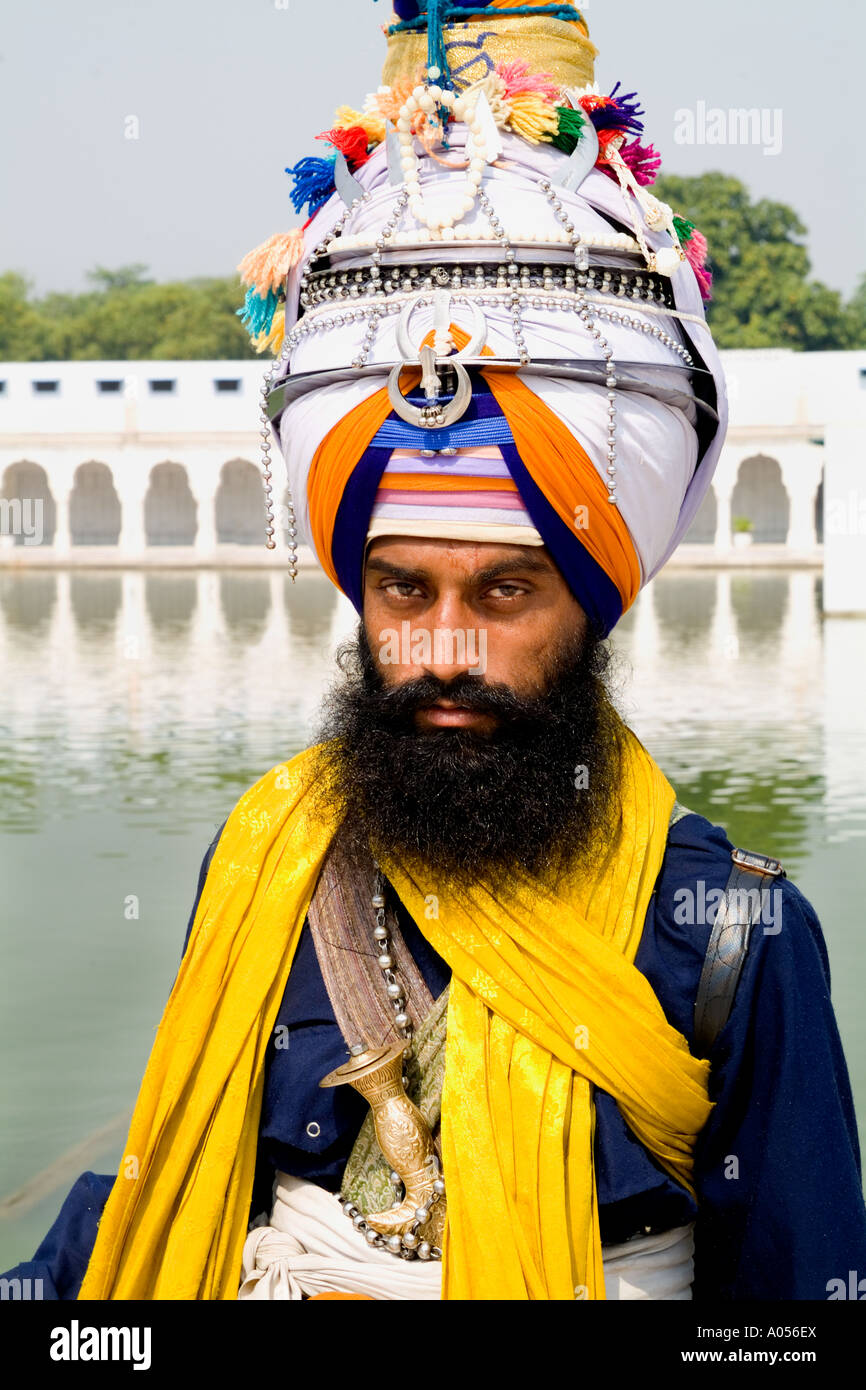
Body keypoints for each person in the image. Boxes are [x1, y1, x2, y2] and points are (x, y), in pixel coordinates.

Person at [6, 0, 866, 1300]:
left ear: (590, 603)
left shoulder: (733, 936)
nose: (442, 642)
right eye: (403, 588)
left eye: (507, 589)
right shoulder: (263, 865)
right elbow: (166, 1194)